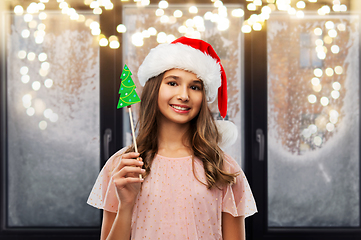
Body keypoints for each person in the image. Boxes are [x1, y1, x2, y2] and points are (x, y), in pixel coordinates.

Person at [87, 36, 257, 240]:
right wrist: (125, 205)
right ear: (154, 88)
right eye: (173, 83)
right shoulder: (123, 166)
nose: (184, 95)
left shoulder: (222, 167)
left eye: (195, 87)